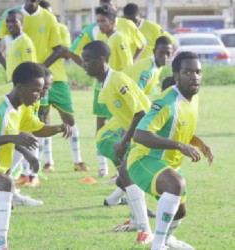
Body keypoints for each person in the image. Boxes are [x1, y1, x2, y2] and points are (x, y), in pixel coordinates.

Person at [0, 62, 71, 249]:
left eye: (41, 90)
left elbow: (38, 129)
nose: (39, 96)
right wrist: (14, 138)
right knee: (7, 184)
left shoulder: (23, 108)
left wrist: (58, 128)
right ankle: (2, 245)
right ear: (20, 88)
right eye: (35, 91)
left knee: (6, 203)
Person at [126, 51, 214, 249]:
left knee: (180, 212)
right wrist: (180, 146)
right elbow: (140, 134)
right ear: (176, 75)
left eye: (198, 72)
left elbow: (175, 127)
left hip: (168, 162)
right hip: (143, 160)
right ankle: (158, 245)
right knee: (176, 184)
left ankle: (167, 240)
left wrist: (199, 143)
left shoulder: (193, 97)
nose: (194, 76)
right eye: (188, 72)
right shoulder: (166, 102)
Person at [0, 0, 88, 172]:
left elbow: (62, 50)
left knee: (64, 119)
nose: (11, 24)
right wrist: (10, 68)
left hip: (53, 77)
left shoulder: (49, 19)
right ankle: (37, 166)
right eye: (9, 23)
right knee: (36, 120)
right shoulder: (13, 17)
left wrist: (40, 72)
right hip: (29, 82)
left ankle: (74, 160)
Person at [82, 40, 153, 244]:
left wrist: (123, 141)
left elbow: (140, 112)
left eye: (87, 61)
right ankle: (134, 221)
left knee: (125, 173)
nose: (83, 65)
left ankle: (145, 229)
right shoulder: (103, 84)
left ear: (100, 60)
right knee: (123, 177)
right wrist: (124, 138)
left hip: (149, 131)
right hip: (139, 132)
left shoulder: (117, 81)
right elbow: (126, 115)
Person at [68, 0, 146, 177]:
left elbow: (127, 68)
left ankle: (124, 169)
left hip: (117, 90)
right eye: (98, 21)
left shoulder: (119, 38)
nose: (100, 24)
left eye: (103, 21)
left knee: (119, 127)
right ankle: (108, 167)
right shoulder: (104, 39)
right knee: (101, 128)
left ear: (112, 21)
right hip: (102, 88)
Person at [104, 36, 173, 209]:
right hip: (132, 117)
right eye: (161, 52)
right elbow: (137, 101)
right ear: (154, 51)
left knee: (131, 164)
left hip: (135, 117)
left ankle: (114, 199)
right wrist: (125, 134)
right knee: (136, 163)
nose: (165, 57)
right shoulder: (147, 70)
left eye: (168, 53)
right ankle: (140, 212)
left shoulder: (156, 68)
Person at [4, 9, 36, 83]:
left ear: (21, 24)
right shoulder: (13, 41)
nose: (10, 24)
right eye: (8, 22)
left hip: (21, 86)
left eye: (14, 21)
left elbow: (30, 68)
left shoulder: (25, 42)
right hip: (12, 85)